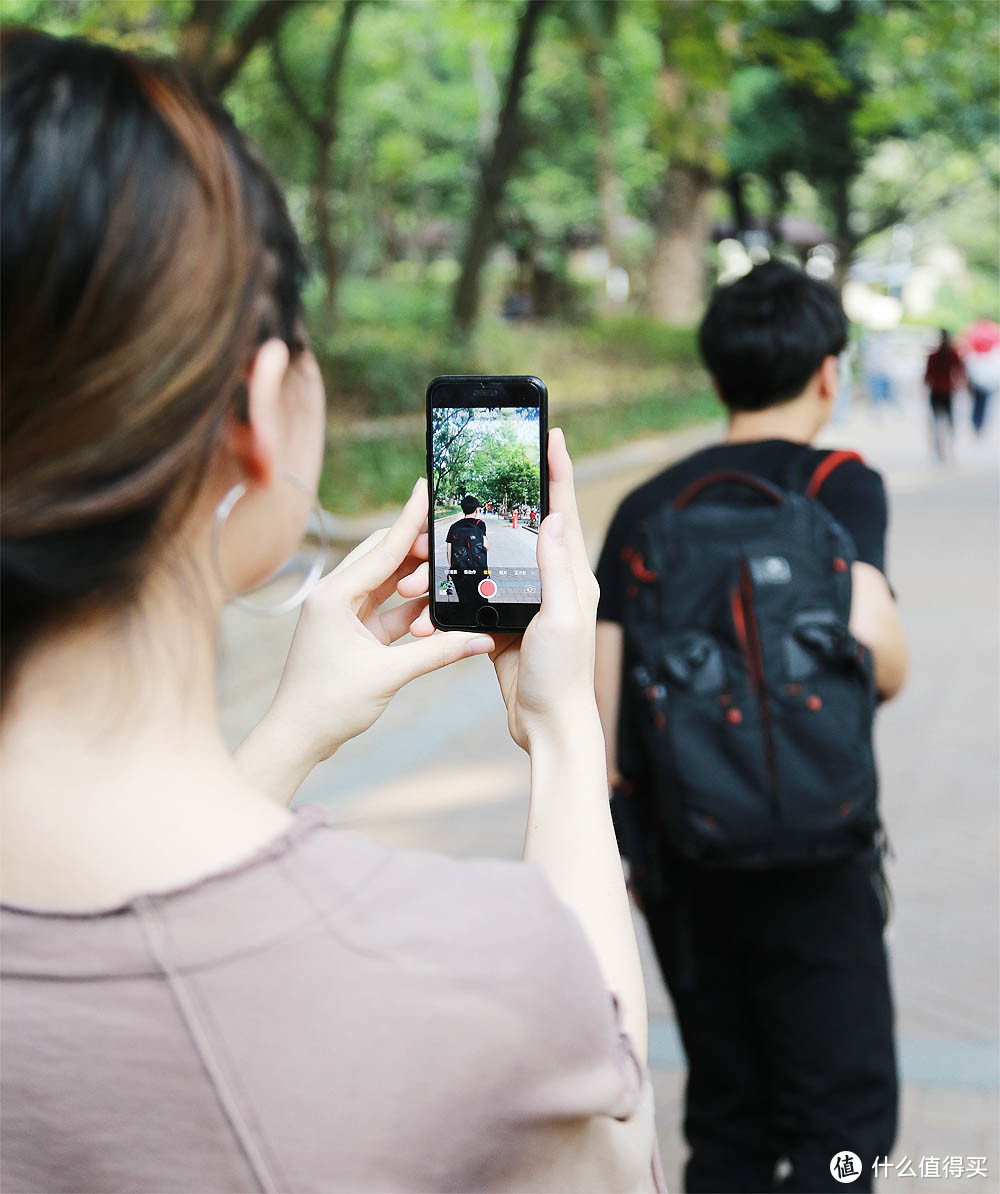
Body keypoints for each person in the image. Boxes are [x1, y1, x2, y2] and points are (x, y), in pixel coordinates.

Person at [0, 32, 662, 1194]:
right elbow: (617, 1149)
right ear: (260, 413)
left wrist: (294, 728)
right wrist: (562, 734)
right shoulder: (458, 974)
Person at [595, 261, 908, 1194]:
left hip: (687, 856)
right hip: (817, 850)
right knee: (841, 1119)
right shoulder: (842, 486)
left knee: (728, 1111)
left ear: (718, 375)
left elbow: (606, 721)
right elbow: (878, 656)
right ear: (827, 372)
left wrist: (632, 858)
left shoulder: (648, 509)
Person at [924, 328, 966, 461]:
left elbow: (927, 377)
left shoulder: (936, 356)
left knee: (937, 422)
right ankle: (948, 449)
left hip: (938, 391)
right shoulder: (951, 354)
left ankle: (940, 450)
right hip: (946, 391)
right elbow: (960, 372)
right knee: (948, 422)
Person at [445, 494, 489, 606]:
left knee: (464, 599)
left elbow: (448, 551)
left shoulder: (454, 527)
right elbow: (486, 546)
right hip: (479, 570)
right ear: (476, 510)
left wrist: (453, 568)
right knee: (481, 598)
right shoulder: (480, 524)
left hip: (460, 571)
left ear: (463, 509)